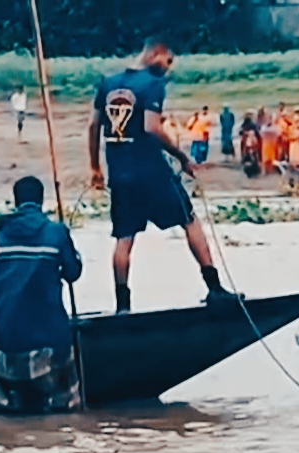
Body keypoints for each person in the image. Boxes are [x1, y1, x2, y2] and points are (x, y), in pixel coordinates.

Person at [87, 37, 240, 314]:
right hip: (152, 172)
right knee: (190, 221)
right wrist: (183, 158)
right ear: (156, 53)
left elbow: (93, 126)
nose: (168, 68)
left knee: (124, 238)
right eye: (168, 61)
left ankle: (122, 306)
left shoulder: (107, 84)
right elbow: (151, 128)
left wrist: (95, 168)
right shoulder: (152, 84)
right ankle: (214, 288)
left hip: (121, 175)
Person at [0, 176, 83, 412]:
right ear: (41, 200)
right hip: (51, 341)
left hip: (7, 343)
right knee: (66, 408)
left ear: (16, 201)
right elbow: (73, 272)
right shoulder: (56, 232)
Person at [238, 111, 261, 177]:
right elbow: (257, 133)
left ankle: (245, 162)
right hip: (252, 141)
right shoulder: (252, 125)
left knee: (246, 153)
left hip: (248, 142)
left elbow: (240, 132)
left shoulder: (244, 124)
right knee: (254, 154)